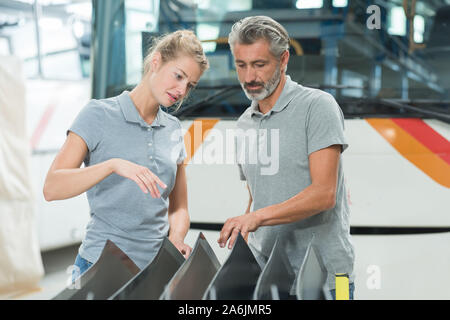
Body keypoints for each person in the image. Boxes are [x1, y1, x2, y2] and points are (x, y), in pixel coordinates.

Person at [43, 30, 209, 280]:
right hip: (100, 265)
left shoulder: (173, 128)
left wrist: (176, 237)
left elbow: (179, 207)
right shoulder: (98, 114)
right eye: (178, 76)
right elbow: (52, 188)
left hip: (156, 268)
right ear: (156, 61)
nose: (181, 90)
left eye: (190, 85)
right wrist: (112, 165)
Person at [217, 16, 355, 299]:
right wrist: (244, 225)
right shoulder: (244, 124)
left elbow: (324, 194)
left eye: (259, 65)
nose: (249, 77)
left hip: (331, 278)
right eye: (241, 65)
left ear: (283, 60)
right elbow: (258, 195)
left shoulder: (317, 106)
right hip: (270, 278)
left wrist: (258, 217)